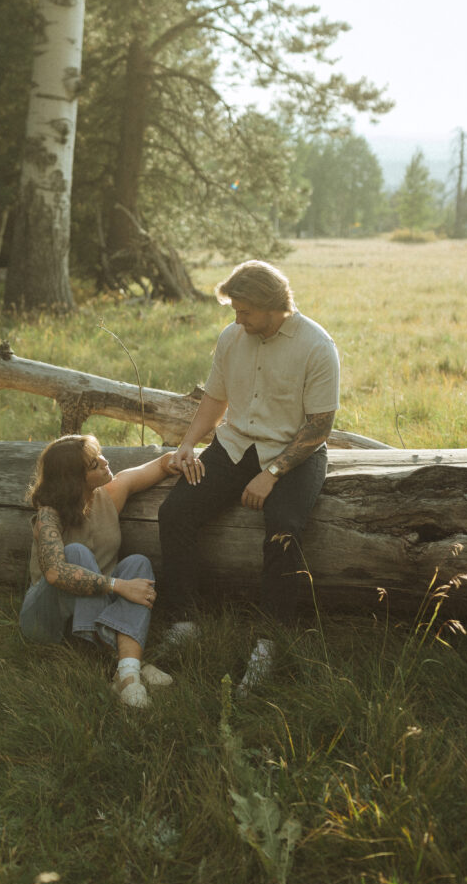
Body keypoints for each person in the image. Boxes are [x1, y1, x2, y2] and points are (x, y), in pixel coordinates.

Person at [158, 260, 339, 691]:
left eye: (245, 312)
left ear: (273, 305)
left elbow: (319, 427)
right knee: (174, 513)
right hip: (235, 445)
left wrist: (272, 473)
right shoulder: (231, 337)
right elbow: (214, 401)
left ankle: (268, 643)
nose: (237, 320)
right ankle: (185, 623)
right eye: (235, 311)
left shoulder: (317, 345)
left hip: (295, 451)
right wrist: (187, 444)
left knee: (283, 526)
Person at [20, 434, 181, 708]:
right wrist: (118, 586)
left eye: (101, 455)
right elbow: (55, 574)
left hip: (97, 609)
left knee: (138, 564)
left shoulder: (109, 494)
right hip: (47, 619)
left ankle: (127, 674)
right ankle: (128, 661)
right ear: (74, 478)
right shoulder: (49, 516)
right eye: (95, 463)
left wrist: (193, 457)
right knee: (77, 554)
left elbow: (163, 464)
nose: (106, 462)